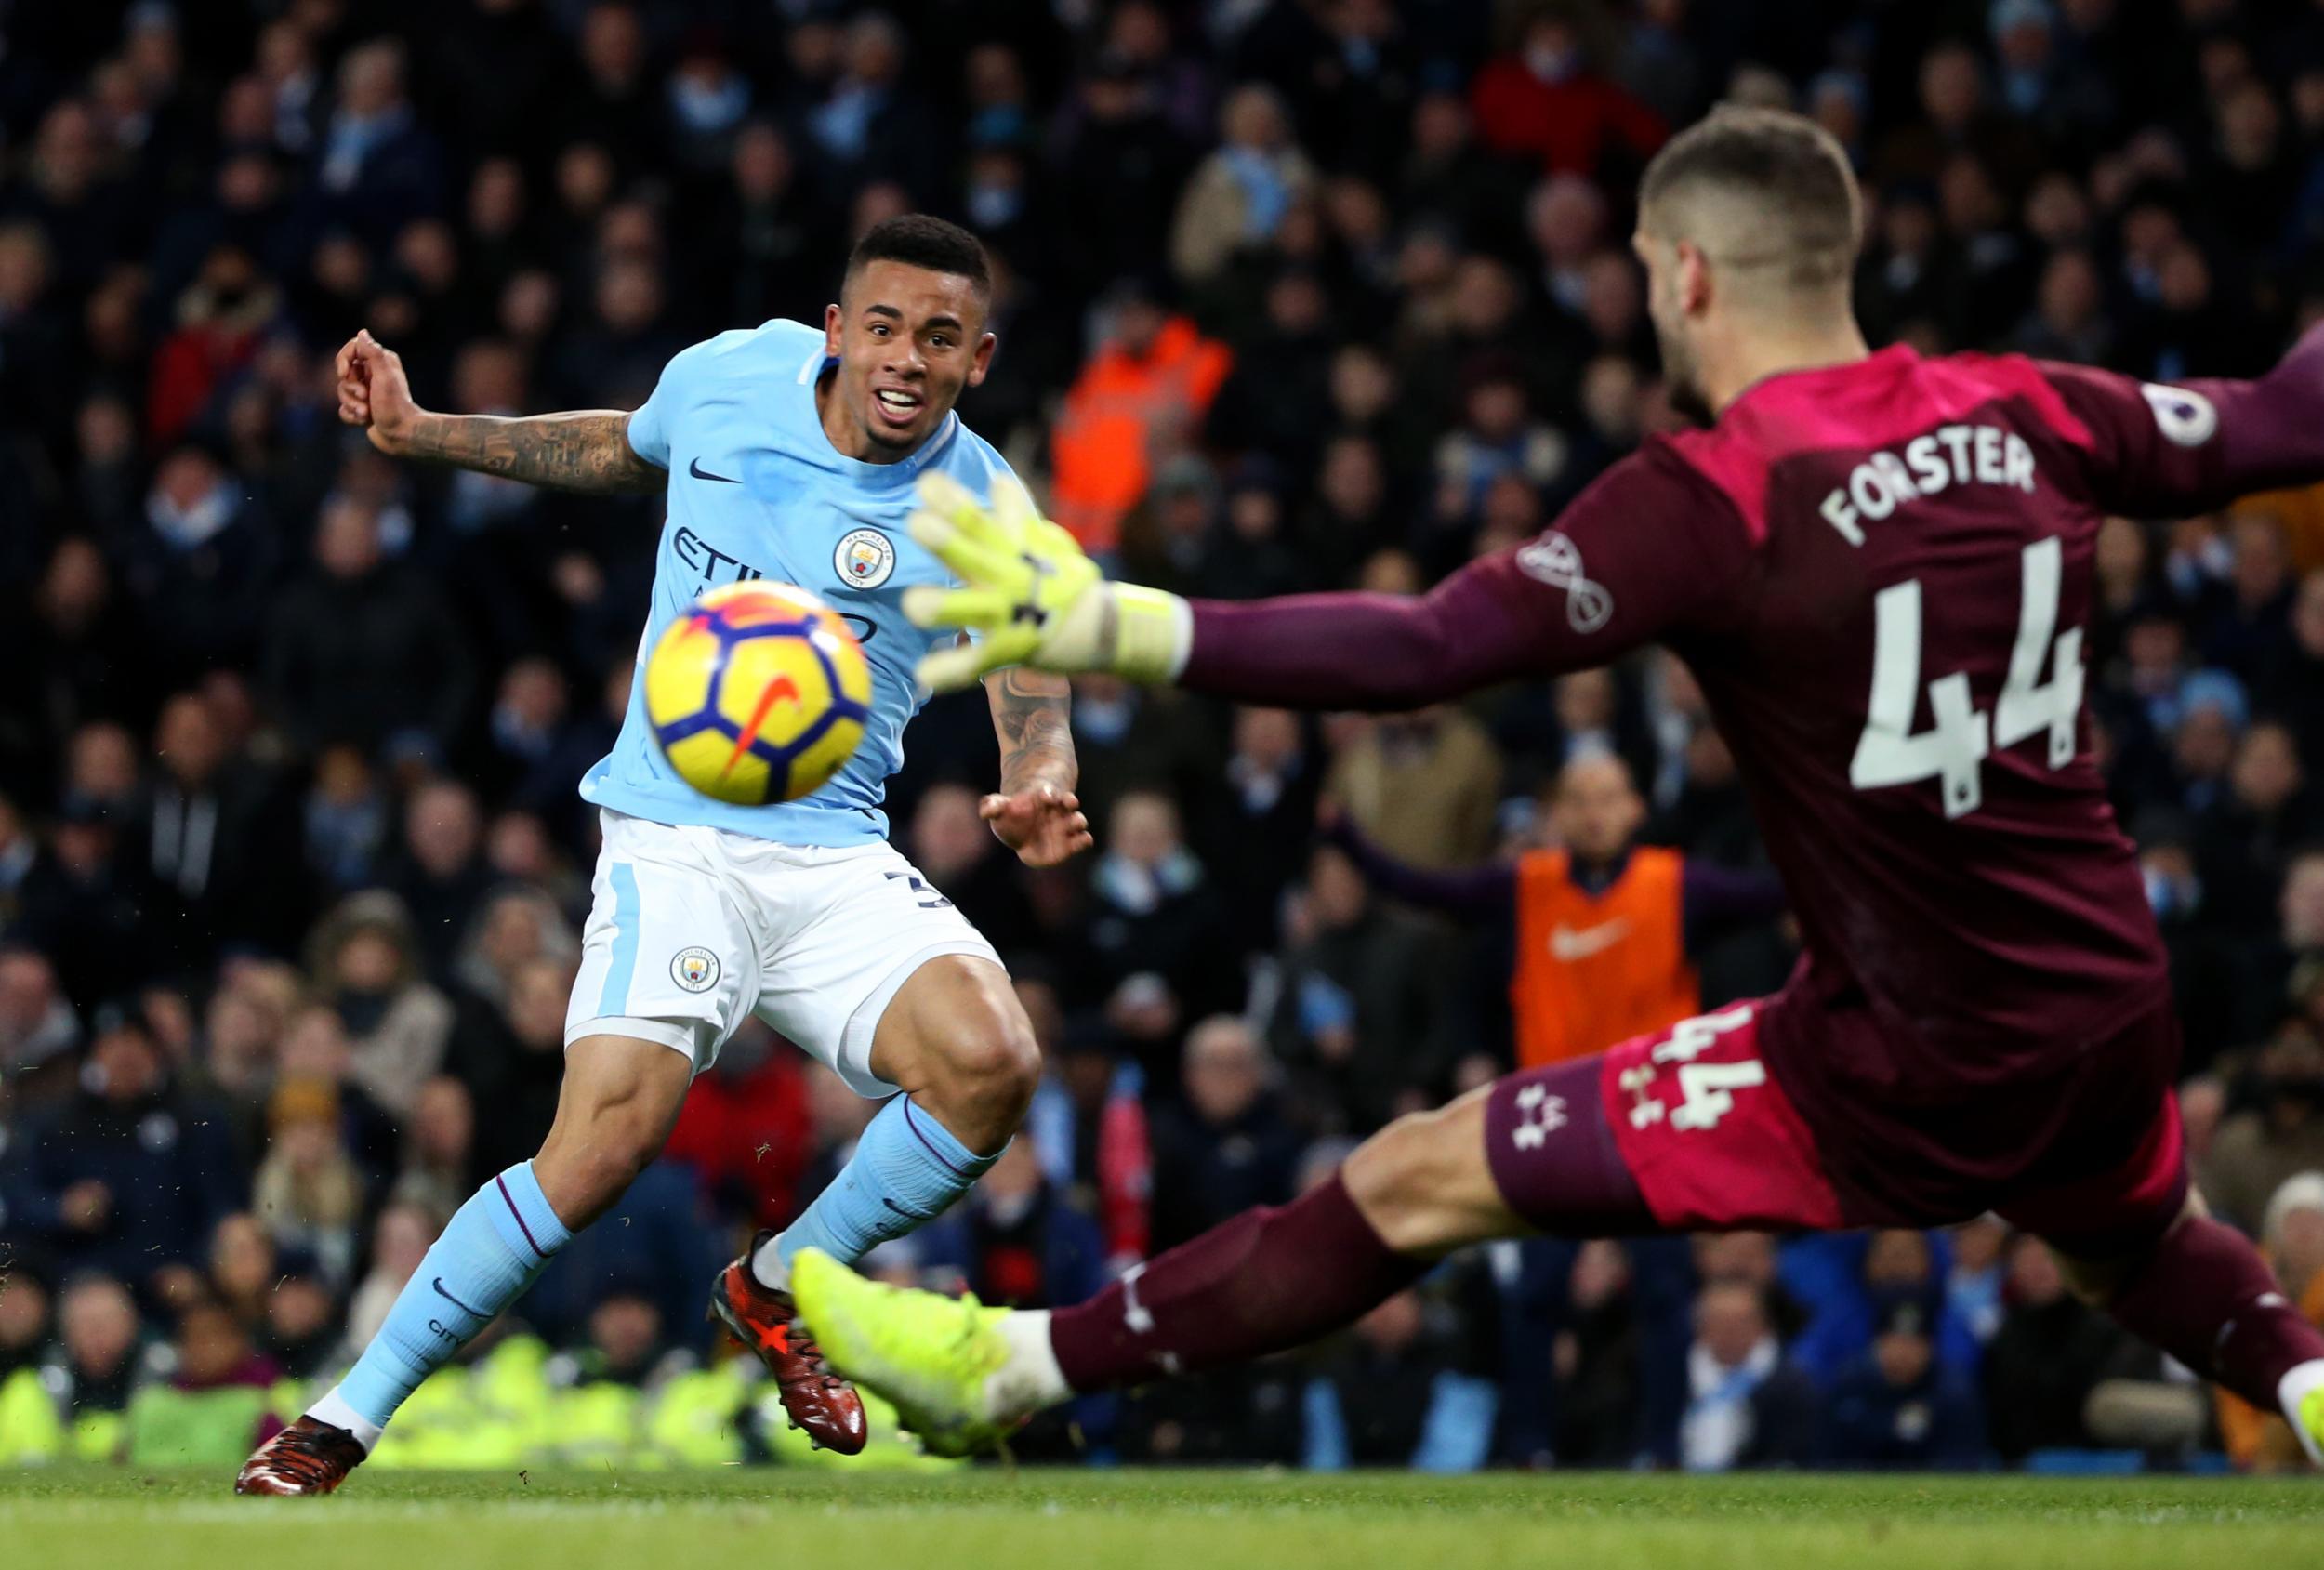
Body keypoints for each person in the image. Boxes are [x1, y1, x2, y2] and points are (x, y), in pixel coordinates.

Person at [783, 108, 2324, 1464]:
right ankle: (2309, 1374)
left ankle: (1017, 1366)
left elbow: (1430, 643)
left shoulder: (1719, 490)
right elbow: (2286, 416)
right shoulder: (2034, 408)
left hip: (1898, 1055)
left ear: (1689, 275)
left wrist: (1114, 621)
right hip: (2108, 1000)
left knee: (1415, 1174)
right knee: (2139, 1241)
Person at [236, 216, 1092, 1494]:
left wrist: (1041, 776)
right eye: (886, 325)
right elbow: (620, 446)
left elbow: (1030, 663)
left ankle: (775, 1284)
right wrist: (425, 434)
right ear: (840, 324)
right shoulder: (733, 377)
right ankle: (343, 1418)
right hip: (676, 834)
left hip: (831, 848)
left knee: (992, 1062)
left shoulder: (980, 504)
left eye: (940, 336)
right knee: (599, 1148)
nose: (907, 357)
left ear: (979, 356)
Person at [1327, 753, 1785, 1068]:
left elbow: (1776, 893)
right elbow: (1422, 888)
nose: (1593, 814)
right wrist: (1346, 836)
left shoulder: (1678, 883)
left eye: (1607, 799)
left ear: (1635, 809)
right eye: (1578, 800)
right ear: (1557, 813)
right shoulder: (1524, 884)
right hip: (1556, 1103)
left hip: (1653, 1098)